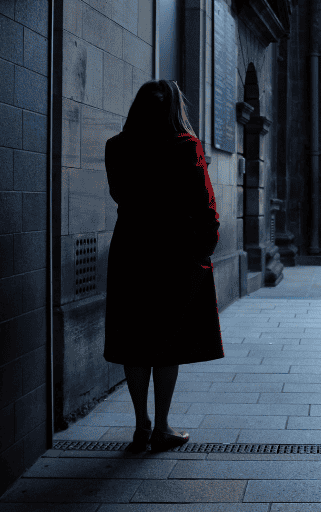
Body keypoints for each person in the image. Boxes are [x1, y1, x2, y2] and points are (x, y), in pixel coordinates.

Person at [103, 80, 224, 454]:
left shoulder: (116, 147)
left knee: (135, 341)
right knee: (167, 343)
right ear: (173, 110)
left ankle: (141, 426)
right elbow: (204, 204)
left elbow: (119, 195)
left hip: (130, 250)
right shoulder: (185, 146)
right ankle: (163, 428)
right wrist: (204, 246)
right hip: (174, 253)